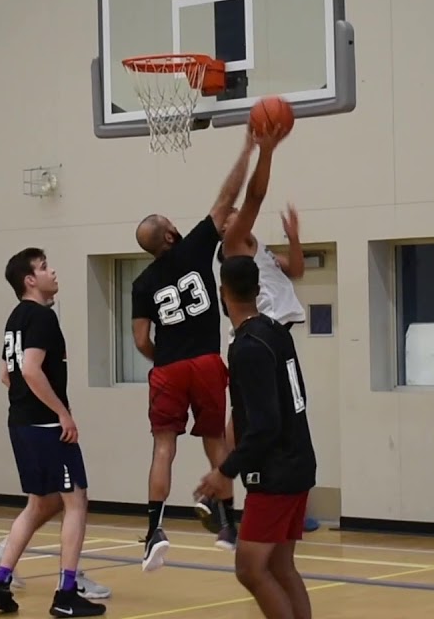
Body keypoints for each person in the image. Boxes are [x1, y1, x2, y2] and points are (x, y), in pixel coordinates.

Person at [130, 134, 259, 569]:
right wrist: (248, 149)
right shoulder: (195, 246)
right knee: (215, 441)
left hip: (169, 368)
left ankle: (154, 532)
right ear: (170, 234)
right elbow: (227, 198)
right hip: (206, 362)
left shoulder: (142, 283)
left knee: (163, 447)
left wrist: (164, 360)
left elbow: (140, 339)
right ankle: (228, 526)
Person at [0, 248, 106, 617]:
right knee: (76, 500)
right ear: (30, 280)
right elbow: (30, 370)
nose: (53, 272)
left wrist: (27, 400)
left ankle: (0, 583)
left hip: (20, 422)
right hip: (46, 425)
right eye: (45, 267)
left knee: (41, 504)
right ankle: (66, 594)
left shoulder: (15, 317)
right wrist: (62, 413)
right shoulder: (42, 317)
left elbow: (6, 373)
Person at [197, 254, 316, 619]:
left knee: (249, 568)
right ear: (259, 288)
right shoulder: (275, 331)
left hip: (275, 473)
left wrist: (225, 471)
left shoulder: (248, 347)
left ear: (223, 293)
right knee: (280, 566)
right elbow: (259, 408)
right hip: (298, 461)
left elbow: (265, 424)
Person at [216, 202, 306, 330]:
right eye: (231, 211)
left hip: (276, 319)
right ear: (223, 227)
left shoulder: (257, 250)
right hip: (268, 317)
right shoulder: (233, 244)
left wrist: (293, 238)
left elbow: (296, 271)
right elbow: (248, 211)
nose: (236, 209)